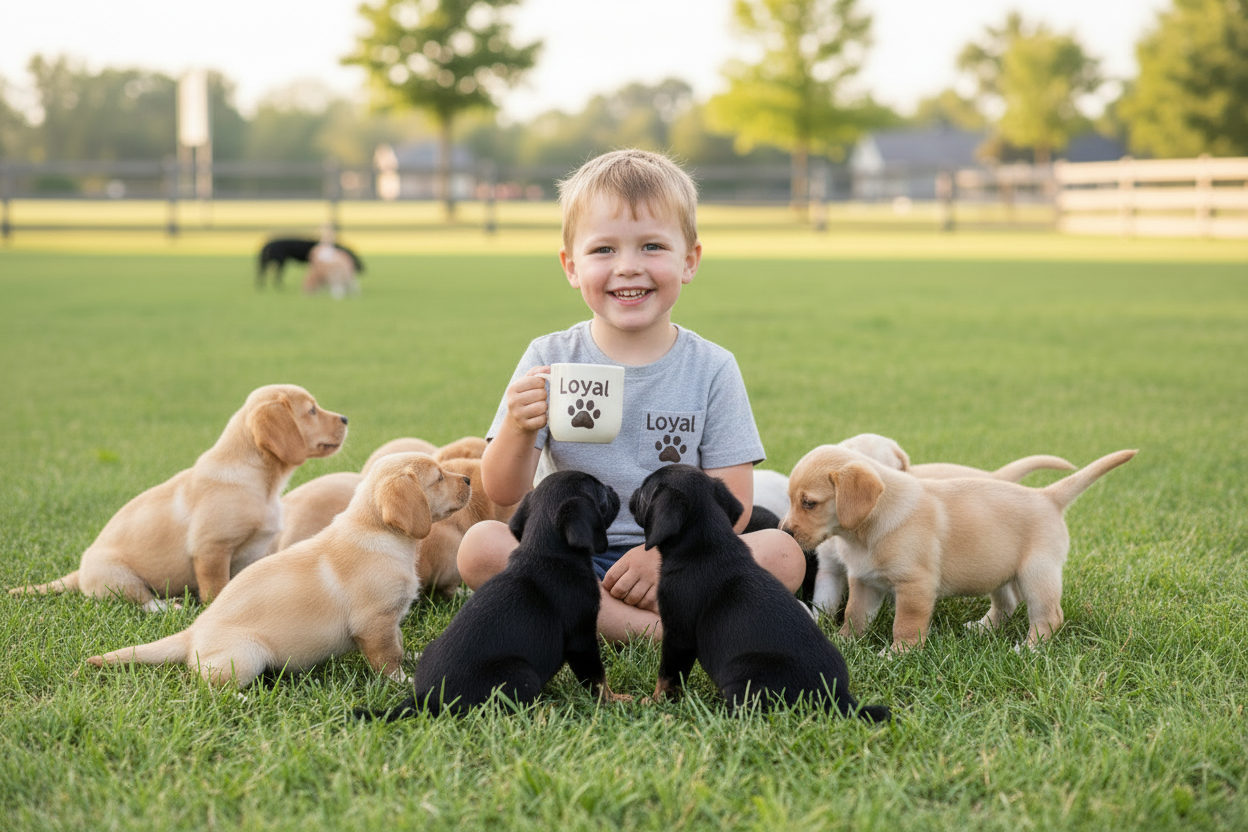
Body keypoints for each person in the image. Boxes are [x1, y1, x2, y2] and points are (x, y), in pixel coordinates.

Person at [457, 149, 805, 643]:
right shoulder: (549, 355)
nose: (627, 267)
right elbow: (503, 491)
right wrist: (517, 426)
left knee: (782, 553)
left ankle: (591, 619)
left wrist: (662, 554)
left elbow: (736, 503)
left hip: (679, 559)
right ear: (571, 266)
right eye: (603, 251)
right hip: (570, 553)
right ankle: (659, 630)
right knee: (480, 546)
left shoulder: (712, 367)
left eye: (651, 247)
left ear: (689, 261)